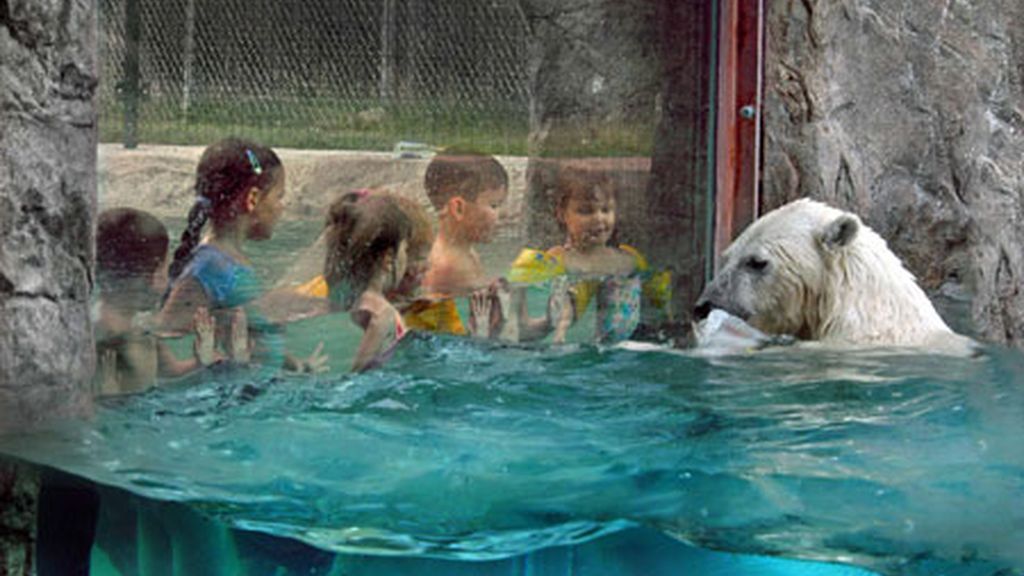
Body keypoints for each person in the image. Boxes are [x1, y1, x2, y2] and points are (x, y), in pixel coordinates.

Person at [156, 137, 325, 373]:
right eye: (279, 196)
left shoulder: (229, 261)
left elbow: (256, 336)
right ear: (253, 199)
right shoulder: (208, 266)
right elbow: (163, 333)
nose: (282, 207)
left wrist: (297, 366)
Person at [508, 165, 672, 344]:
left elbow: (659, 302)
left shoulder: (629, 260)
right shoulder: (559, 260)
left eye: (606, 210)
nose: (598, 218)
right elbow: (533, 306)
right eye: (586, 211)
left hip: (626, 350)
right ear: (562, 214)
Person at [93, 207, 216, 395]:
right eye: (166, 270)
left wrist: (203, 358)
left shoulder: (141, 330)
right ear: (155, 276)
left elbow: (172, 372)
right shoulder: (104, 341)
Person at [419, 150, 510, 336]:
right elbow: (433, 330)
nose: (502, 215)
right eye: (494, 205)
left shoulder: (466, 252)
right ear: (458, 208)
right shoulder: (445, 266)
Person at [323, 192, 414, 372]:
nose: (407, 257)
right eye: (405, 249)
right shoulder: (383, 314)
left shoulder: (350, 301)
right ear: (389, 257)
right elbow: (358, 374)